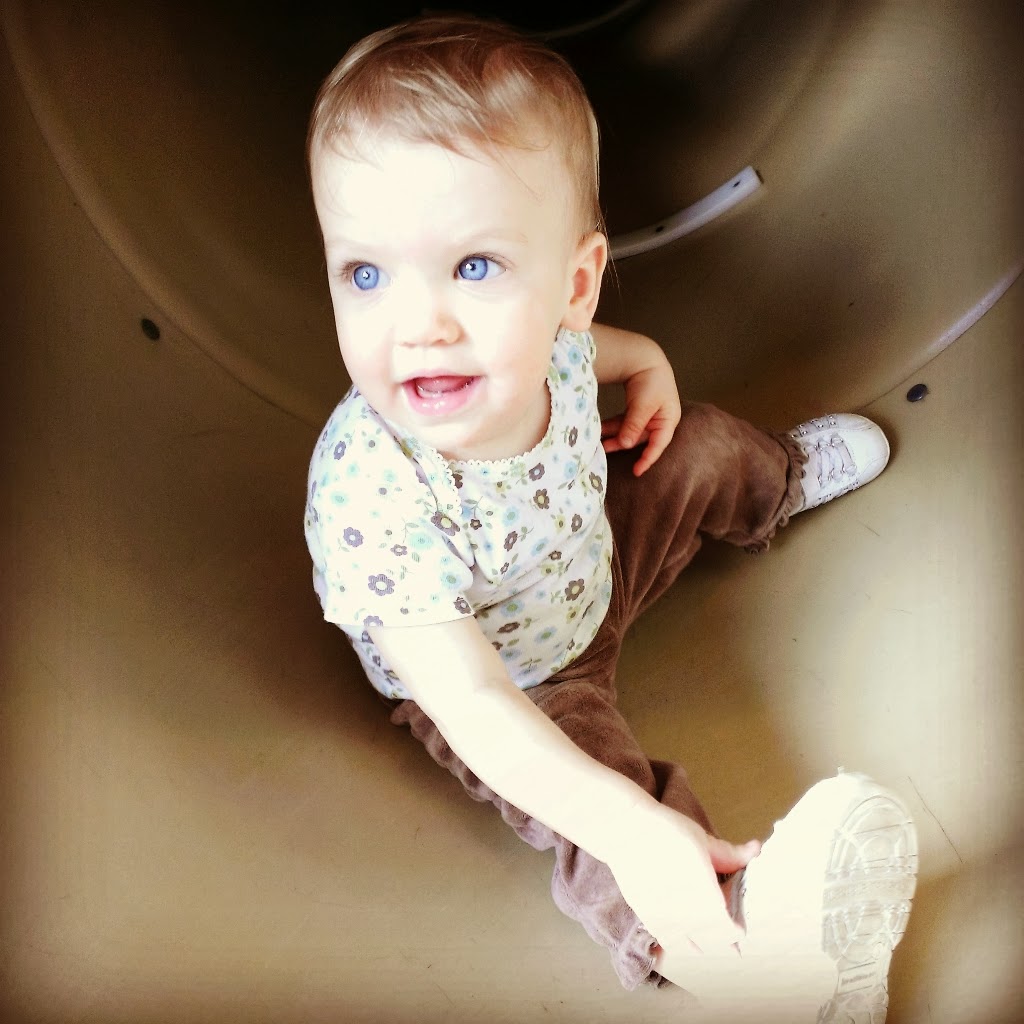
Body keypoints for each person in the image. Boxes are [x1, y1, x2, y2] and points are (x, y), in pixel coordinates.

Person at [302, 13, 917, 1020]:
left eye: (474, 266)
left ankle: (773, 482)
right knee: (603, 811)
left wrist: (653, 368)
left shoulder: (552, 342)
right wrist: (629, 828)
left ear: (574, 286)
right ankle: (755, 944)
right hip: (516, 682)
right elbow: (477, 709)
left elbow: (603, 352)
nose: (419, 325)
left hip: (594, 560)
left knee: (697, 443)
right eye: (365, 273)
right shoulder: (370, 497)